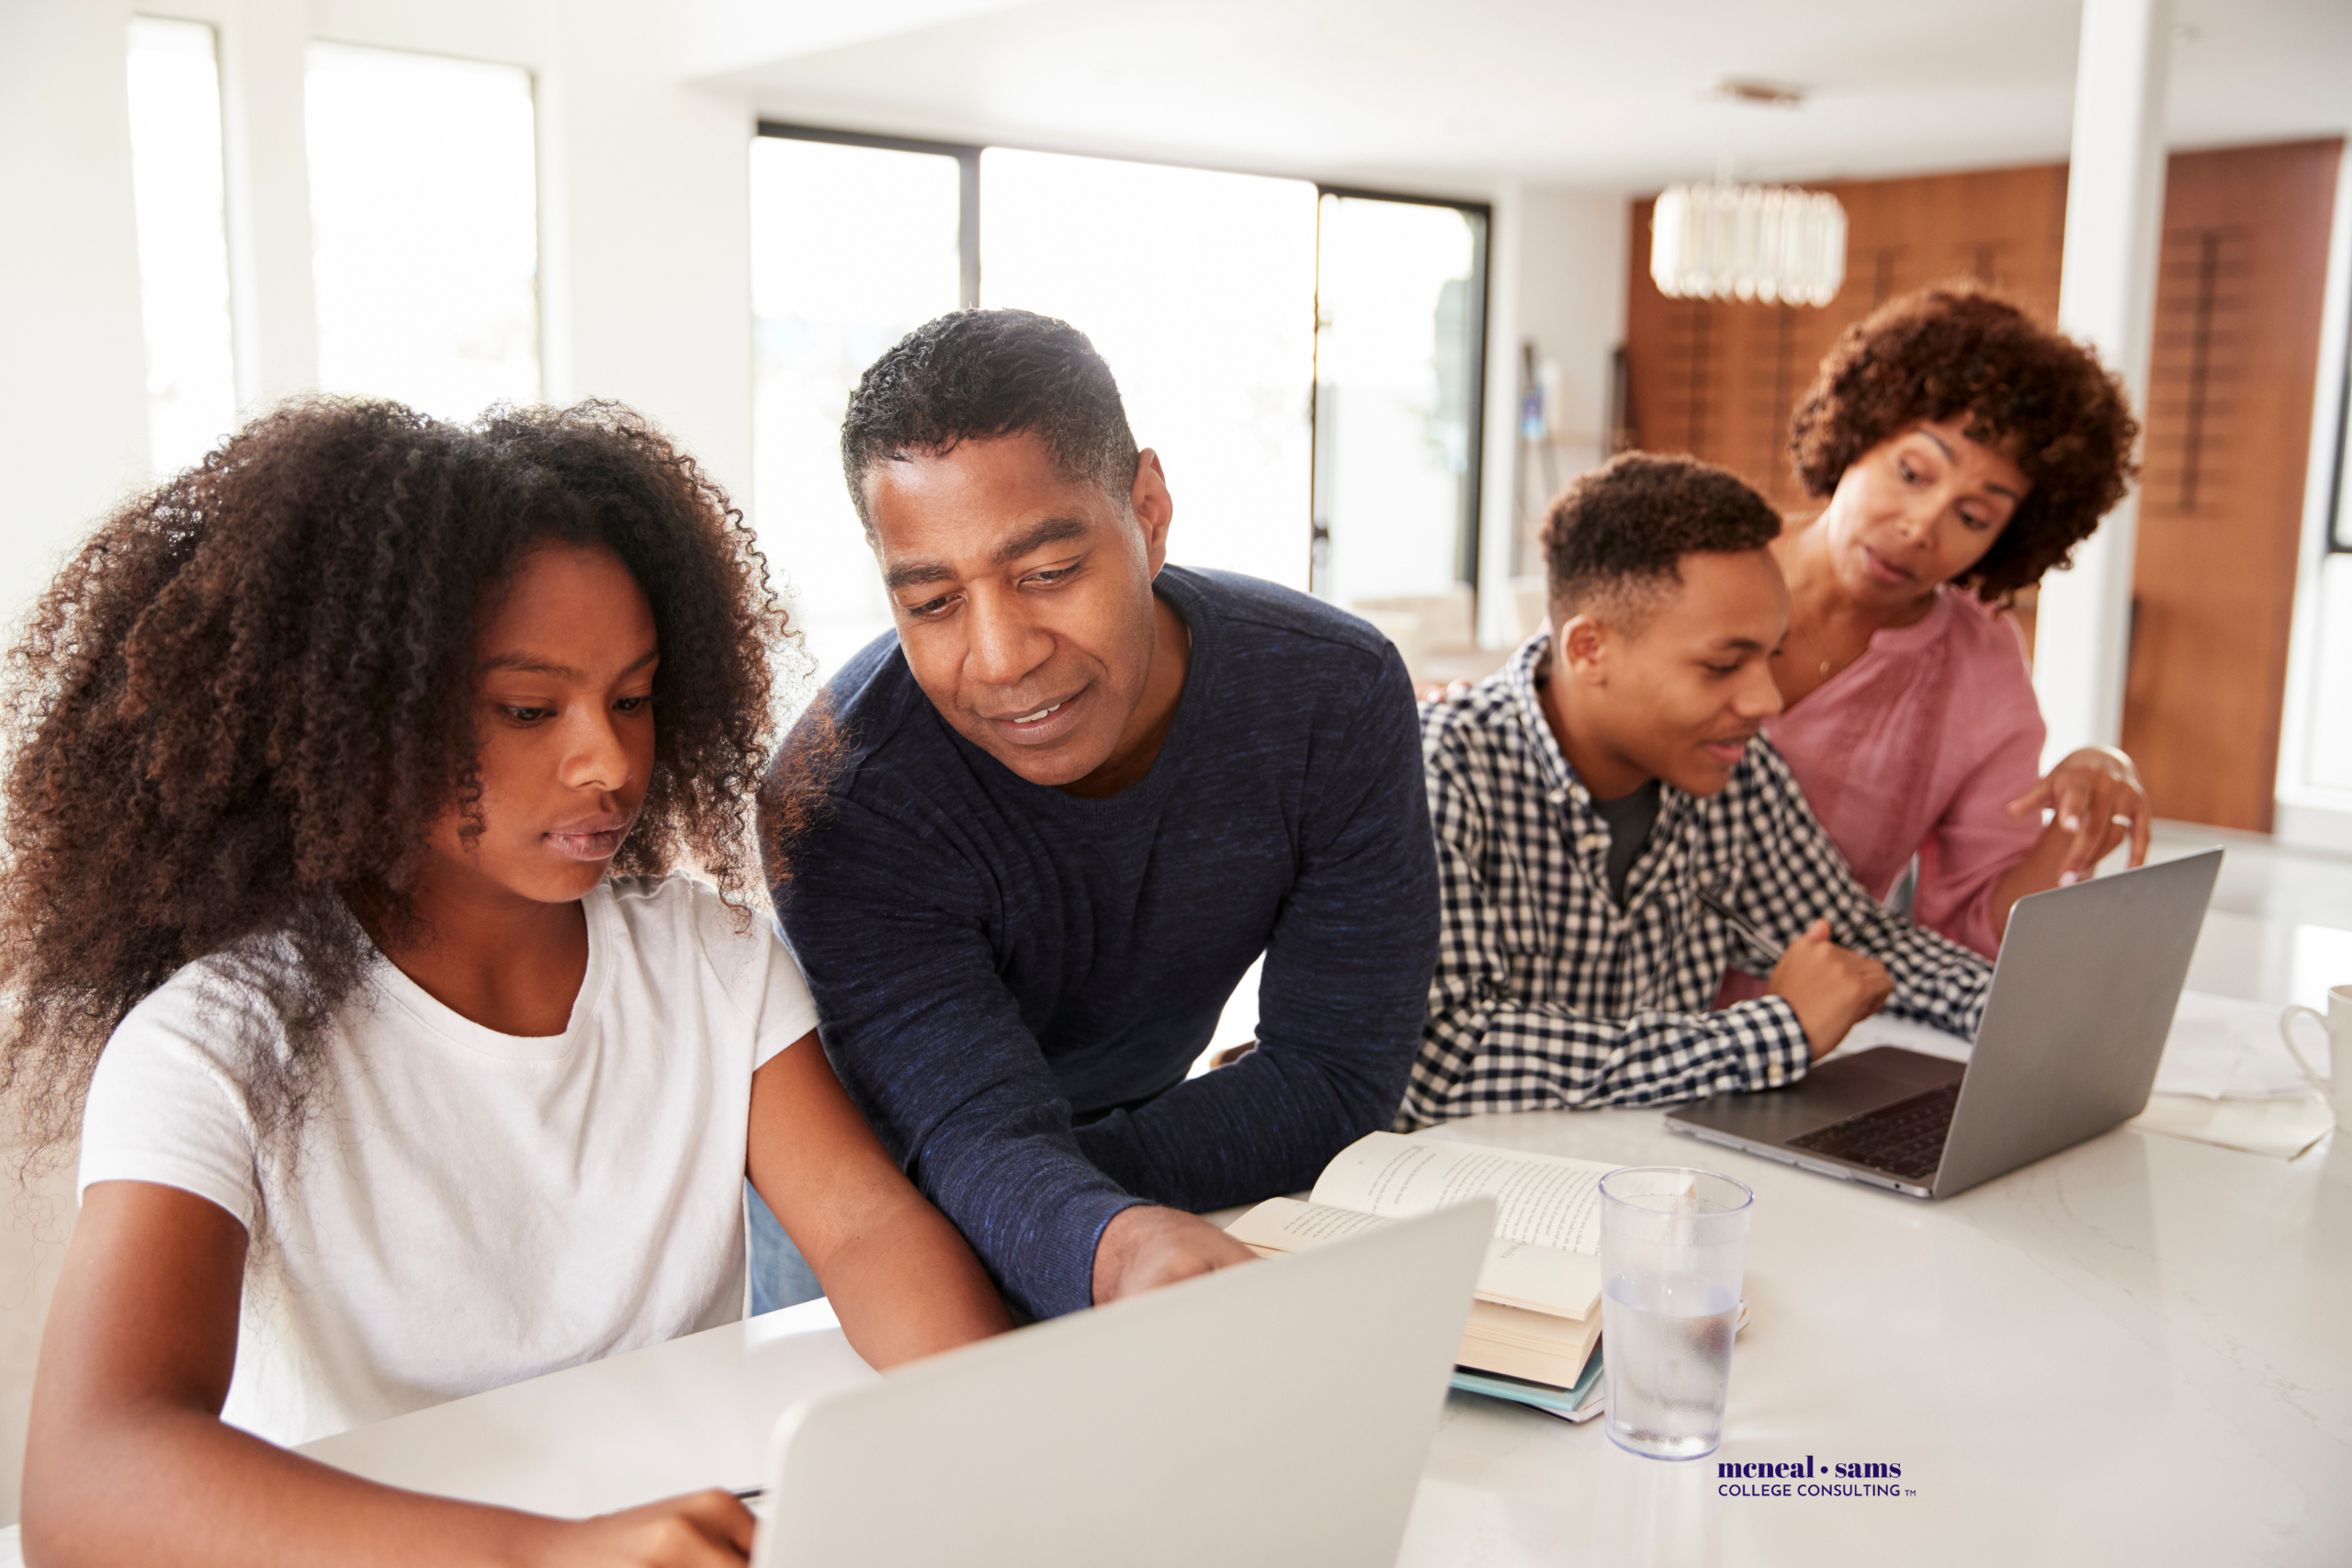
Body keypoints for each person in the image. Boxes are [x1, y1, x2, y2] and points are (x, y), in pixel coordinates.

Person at [12, 401, 1010, 1568]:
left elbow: (865, 1226)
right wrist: (544, 1554)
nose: (607, 760)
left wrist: (993, 1428)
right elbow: (90, 1482)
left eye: (631, 698)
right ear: (364, 716)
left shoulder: (707, 958)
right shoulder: (218, 1042)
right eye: (529, 710)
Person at [761, 310, 1440, 1322]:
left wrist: (1072, 1216)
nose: (1000, 657)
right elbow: (958, 1135)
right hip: (874, 1240)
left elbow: (1338, 1072)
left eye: (1046, 574)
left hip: (1114, 1208)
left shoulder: (1329, 696)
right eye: (933, 602)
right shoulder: (842, 795)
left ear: (1150, 512)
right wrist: (1072, 1220)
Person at [1402, 452, 1993, 1126]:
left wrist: (2022, 1006)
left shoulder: (1734, 769)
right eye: (1722, 665)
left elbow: (1855, 938)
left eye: (1771, 656)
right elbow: (1447, 1056)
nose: (1766, 699)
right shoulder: (1438, 771)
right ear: (1589, 649)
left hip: (1647, 1184)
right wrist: (1778, 1031)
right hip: (1463, 1194)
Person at [1763, 284, 2147, 959]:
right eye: (1912, 472)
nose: (1920, 527)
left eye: (1974, 517)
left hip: (1814, 1031)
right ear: (1859, 430)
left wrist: (2081, 807)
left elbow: (1974, 929)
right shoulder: (1703, 558)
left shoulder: (1977, 666)